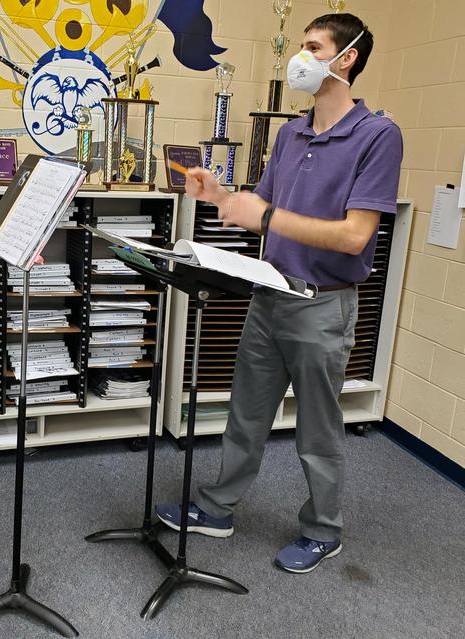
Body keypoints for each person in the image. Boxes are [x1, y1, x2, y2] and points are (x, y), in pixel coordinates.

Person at [156, 13, 402, 574]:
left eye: (313, 47)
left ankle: (323, 530)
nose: (301, 57)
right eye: (301, 45)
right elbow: (261, 213)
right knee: (246, 414)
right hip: (269, 296)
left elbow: (356, 235)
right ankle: (218, 508)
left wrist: (267, 214)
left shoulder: (377, 136)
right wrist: (221, 195)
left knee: (318, 430)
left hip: (324, 304)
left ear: (348, 59)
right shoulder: (291, 134)